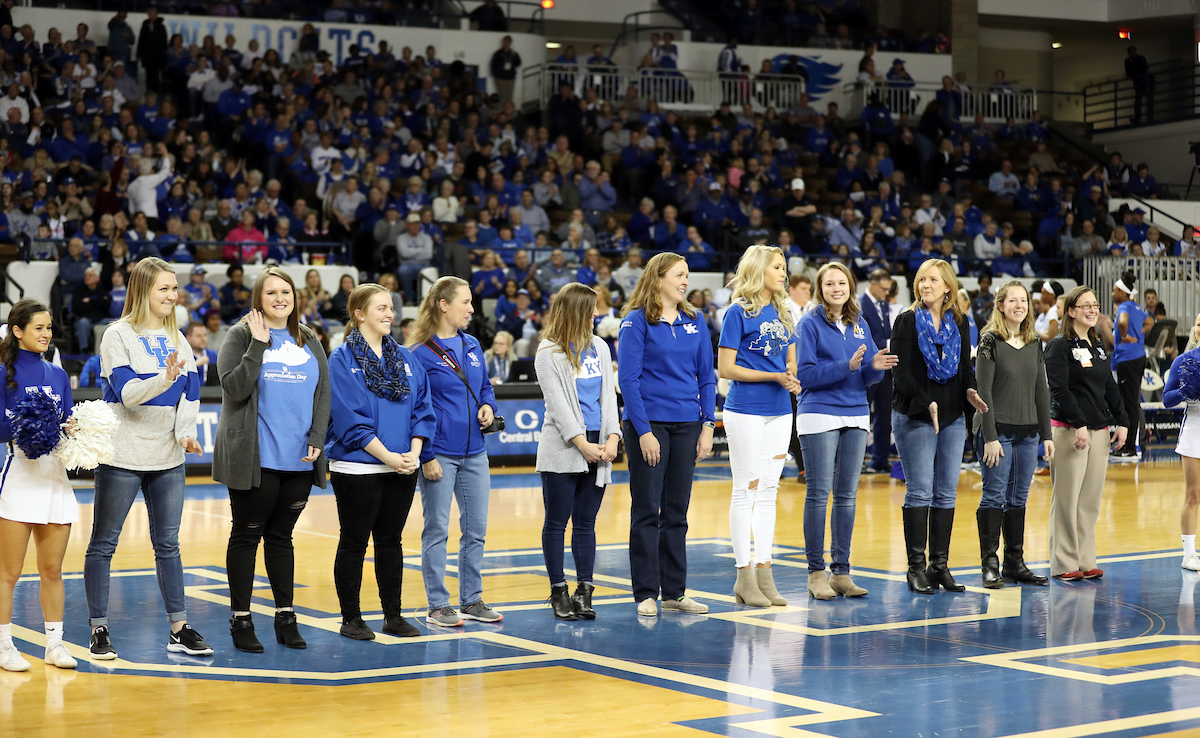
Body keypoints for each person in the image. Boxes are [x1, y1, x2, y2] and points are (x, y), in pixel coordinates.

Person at [86, 258, 209, 659]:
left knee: (168, 544)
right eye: (164, 289)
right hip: (123, 453)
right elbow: (126, 394)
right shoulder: (116, 335)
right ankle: (98, 628)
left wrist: (185, 434)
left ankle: (179, 627)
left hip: (168, 457)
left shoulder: (180, 338)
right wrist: (165, 378)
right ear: (142, 291)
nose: (172, 296)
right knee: (104, 544)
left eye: (174, 288)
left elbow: (190, 395)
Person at [214, 267, 330, 652]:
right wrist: (259, 345)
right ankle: (241, 620)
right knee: (246, 536)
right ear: (258, 299)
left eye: (286, 291)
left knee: (281, 537)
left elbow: (323, 392)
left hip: (299, 458)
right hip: (255, 458)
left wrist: (317, 436)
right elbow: (233, 388)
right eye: (271, 293)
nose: (280, 298)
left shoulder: (309, 338)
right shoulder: (240, 335)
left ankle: (285, 616)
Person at [327, 283, 435, 640]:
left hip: (403, 465)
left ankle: (393, 615)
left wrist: (415, 454)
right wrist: (389, 457)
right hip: (358, 468)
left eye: (391, 307)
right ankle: (351, 619)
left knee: (391, 541)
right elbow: (349, 420)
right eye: (381, 308)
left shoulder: (406, 357)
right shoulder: (341, 358)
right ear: (359, 314)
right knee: (354, 541)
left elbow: (423, 408)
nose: (390, 314)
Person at [618, 253, 716, 617]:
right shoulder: (636, 322)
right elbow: (627, 381)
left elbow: (707, 376)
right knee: (646, 509)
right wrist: (643, 432)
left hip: (688, 424)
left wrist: (708, 425)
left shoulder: (696, 319)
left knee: (677, 511)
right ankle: (646, 592)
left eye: (687, 275)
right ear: (658, 279)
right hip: (649, 424)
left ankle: (675, 592)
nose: (685, 281)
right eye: (679, 275)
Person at [796, 262, 896, 600]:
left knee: (847, 496)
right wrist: (847, 366)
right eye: (829, 283)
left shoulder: (860, 322)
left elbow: (865, 376)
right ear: (820, 288)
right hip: (819, 413)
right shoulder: (809, 323)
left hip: (855, 413)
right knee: (818, 493)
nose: (837, 288)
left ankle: (841, 572)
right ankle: (815, 572)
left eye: (842, 282)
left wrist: (874, 369)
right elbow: (804, 376)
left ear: (850, 287)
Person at [892, 259, 989, 595]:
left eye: (933, 280)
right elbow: (901, 374)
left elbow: (964, 368)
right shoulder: (905, 321)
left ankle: (939, 566)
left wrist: (970, 390)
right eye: (921, 280)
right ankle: (915, 568)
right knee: (920, 490)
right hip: (916, 414)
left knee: (947, 492)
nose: (925, 285)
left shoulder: (959, 323)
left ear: (948, 287)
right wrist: (925, 402)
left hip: (951, 417)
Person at [410, 277, 503, 628]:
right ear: (443, 305)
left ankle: (472, 600)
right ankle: (438, 605)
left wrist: (489, 407)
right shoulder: (419, 353)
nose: (472, 309)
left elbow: (485, 387)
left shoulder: (473, 345)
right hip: (440, 454)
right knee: (436, 530)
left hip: (476, 452)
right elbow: (416, 408)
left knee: (476, 530)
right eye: (465, 302)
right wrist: (427, 455)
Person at [717, 246, 800, 608]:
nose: (784, 273)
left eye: (784, 267)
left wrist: (791, 377)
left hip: (781, 411)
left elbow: (791, 358)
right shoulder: (737, 312)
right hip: (746, 410)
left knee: (769, 490)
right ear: (758, 270)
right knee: (745, 489)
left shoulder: (785, 310)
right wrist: (774, 376)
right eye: (777, 267)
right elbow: (727, 368)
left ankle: (765, 572)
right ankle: (743, 574)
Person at [0, 300, 78, 672]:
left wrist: (72, 430)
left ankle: (55, 645)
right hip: (18, 476)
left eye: (49, 328)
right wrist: (30, 423)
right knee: (8, 573)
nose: (46, 334)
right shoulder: (3, 371)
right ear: (17, 331)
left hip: (54, 478)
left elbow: (68, 421)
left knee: (52, 570)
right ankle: (3, 646)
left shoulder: (58, 374)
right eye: (39, 328)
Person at [535, 283, 620, 620]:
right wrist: (581, 443)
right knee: (557, 523)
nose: (596, 315)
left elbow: (608, 397)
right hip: (564, 447)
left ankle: (585, 591)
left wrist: (613, 437)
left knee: (586, 523)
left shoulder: (599, 346)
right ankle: (559, 591)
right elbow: (557, 406)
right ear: (574, 312)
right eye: (590, 310)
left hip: (598, 443)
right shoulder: (548, 352)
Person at [973, 281, 1053, 589]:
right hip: (997, 433)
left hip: (1028, 432)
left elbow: (1040, 391)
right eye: (1013, 300)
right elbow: (983, 393)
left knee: (1019, 497)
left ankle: (1014, 563)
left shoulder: (1034, 343)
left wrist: (1046, 434)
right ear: (1001, 305)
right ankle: (989, 564)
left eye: (1024, 301)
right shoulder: (989, 340)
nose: (1019, 305)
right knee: (994, 495)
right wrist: (990, 435)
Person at [1045, 286, 1129, 580]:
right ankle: (1064, 562)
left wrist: (1123, 421)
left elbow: (1109, 387)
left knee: (1090, 501)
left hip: (1099, 431)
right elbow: (1060, 390)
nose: (1092, 310)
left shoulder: (1097, 347)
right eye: (1085, 306)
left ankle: (1085, 559)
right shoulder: (1058, 346)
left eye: (1095, 305)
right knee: (1067, 499)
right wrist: (1078, 423)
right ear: (1070, 311)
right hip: (1070, 431)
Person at [1164, 310, 1200, 571]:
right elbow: (1167, 399)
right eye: (1199, 323)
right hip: (1195, 429)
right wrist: (1184, 391)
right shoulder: (1184, 360)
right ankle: (1189, 553)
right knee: (1194, 494)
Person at [1112, 271, 1152, 460]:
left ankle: (1129, 448)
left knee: (1129, 404)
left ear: (1122, 292)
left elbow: (1122, 322)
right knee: (1132, 402)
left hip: (1128, 359)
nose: (1113, 294)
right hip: (1138, 357)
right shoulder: (1136, 306)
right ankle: (1129, 446)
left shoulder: (1124, 306)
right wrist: (1140, 333)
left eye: (1115, 291)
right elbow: (1151, 321)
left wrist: (1126, 336)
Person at [859, 269, 894, 474]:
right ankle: (859, 459)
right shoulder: (861, 304)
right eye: (884, 288)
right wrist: (889, 343)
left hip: (885, 368)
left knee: (884, 414)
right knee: (864, 415)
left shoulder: (883, 304)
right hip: (867, 365)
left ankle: (880, 458)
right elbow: (864, 336)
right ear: (872, 284)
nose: (887, 293)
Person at [1126, 46, 1150, 124]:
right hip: (1138, 82)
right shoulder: (1130, 61)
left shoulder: (1139, 59)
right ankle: (1139, 118)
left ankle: (1139, 118)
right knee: (1140, 100)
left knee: (1140, 100)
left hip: (1142, 81)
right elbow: (1129, 72)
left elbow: (1144, 68)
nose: (1132, 53)